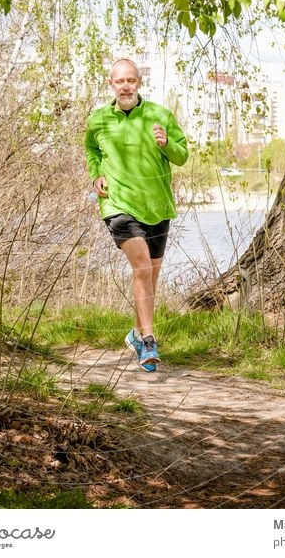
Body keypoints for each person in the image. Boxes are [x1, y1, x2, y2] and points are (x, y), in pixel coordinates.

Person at [84, 58, 188, 372]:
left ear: (139, 82)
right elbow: (92, 150)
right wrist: (95, 175)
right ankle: (148, 342)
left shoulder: (160, 114)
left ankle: (135, 332)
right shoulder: (99, 119)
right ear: (111, 85)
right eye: (120, 81)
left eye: (131, 80)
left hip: (157, 206)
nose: (126, 85)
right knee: (142, 267)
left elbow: (182, 156)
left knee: (149, 277)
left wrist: (167, 144)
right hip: (117, 205)